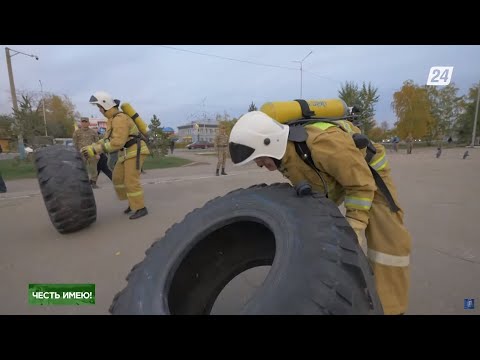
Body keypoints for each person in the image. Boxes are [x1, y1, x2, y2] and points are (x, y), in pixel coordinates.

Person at [228, 111, 412, 315]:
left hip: (370, 175)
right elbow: (317, 188)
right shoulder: (286, 158)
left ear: (270, 143)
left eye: (259, 159)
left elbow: (361, 185)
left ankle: (391, 308)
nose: (260, 165)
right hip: (339, 175)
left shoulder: (323, 144)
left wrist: (356, 224)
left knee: (388, 244)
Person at [81, 91, 149, 220]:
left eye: (100, 107)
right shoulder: (112, 120)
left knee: (130, 181)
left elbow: (117, 142)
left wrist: (96, 150)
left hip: (136, 151)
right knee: (117, 178)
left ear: (106, 105)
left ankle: (140, 208)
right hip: (126, 153)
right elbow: (107, 140)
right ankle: (132, 203)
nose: (99, 110)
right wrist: (93, 147)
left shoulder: (120, 119)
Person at [73, 118, 100, 188]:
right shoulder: (76, 132)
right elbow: (75, 143)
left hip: (91, 153)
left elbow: (97, 143)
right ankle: (82, 183)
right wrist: (75, 153)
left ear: (89, 123)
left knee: (93, 168)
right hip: (81, 153)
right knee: (81, 168)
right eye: (83, 122)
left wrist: (97, 154)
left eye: (86, 122)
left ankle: (93, 183)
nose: (84, 123)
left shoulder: (93, 132)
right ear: (81, 123)